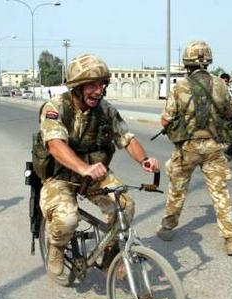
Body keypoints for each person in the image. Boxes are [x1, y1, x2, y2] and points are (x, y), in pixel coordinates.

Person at [37, 54, 159, 276]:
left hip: (94, 175)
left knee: (126, 206)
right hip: (60, 177)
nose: (98, 90)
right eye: (91, 84)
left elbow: (127, 138)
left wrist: (145, 160)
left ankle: (110, 256)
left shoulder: (106, 110)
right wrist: (83, 168)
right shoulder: (55, 108)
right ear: (76, 87)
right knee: (67, 219)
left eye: (102, 84)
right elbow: (55, 145)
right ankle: (56, 246)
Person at [156, 40, 232, 256]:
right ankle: (230, 239)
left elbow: (166, 120)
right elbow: (229, 113)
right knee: (220, 193)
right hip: (213, 148)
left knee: (177, 190)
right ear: (208, 61)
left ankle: (167, 228)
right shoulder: (221, 85)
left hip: (188, 149)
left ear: (187, 62)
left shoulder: (180, 87)